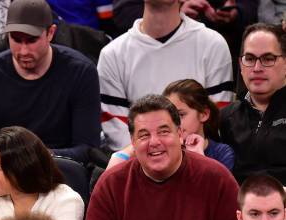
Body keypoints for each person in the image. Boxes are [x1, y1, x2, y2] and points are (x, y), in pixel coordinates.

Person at [82, 94, 242, 220]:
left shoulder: (217, 178)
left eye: (164, 132)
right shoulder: (111, 184)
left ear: (180, 135)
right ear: (133, 143)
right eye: (144, 135)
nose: (154, 142)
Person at [0, 0, 100, 163]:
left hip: (62, 168)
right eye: (16, 39)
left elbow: (88, 149)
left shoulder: (81, 72)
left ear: (51, 33)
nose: (24, 50)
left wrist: (35, 158)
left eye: (31, 40)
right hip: (6, 168)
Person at [98, 0, 233, 151]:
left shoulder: (213, 45)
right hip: (137, 164)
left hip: (198, 160)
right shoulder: (112, 55)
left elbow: (216, 121)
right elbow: (118, 134)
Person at [107, 78, 235, 170]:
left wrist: (198, 157)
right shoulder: (159, 148)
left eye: (181, 115)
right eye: (170, 116)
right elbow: (111, 174)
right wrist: (128, 151)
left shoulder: (222, 152)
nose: (176, 122)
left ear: (203, 114)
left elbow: (211, 196)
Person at [221, 23, 286, 184]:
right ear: (241, 65)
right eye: (249, 59)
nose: (257, 68)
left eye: (268, 59)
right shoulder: (226, 117)